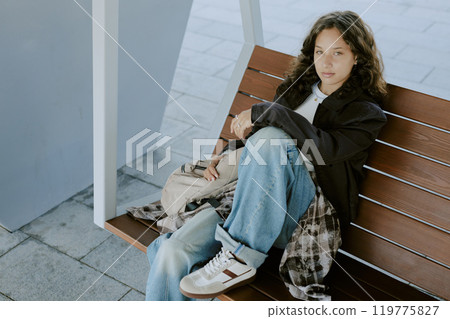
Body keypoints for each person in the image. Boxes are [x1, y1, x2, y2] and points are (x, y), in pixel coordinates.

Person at [145, 10, 387, 301]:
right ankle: (230, 258)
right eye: (320, 51)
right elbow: (259, 143)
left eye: (338, 52)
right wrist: (227, 155)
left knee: (274, 139)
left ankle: (237, 258)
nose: (326, 61)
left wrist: (267, 113)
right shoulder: (297, 91)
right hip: (250, 201)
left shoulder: (365, 113)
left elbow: (323, 150)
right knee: (171, 252)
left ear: (357, 56)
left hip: (303, 217)